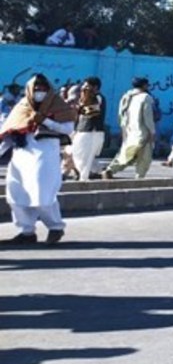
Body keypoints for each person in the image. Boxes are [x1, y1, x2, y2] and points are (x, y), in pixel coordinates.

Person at [1, 74, 76, 244]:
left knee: (41, 193)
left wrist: (46, 121)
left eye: (43, 88)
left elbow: (68, 129)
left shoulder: (58, 104)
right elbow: (8, 130)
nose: (39, 91)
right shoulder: (22, 106)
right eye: (36, 88)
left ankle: (55, 227)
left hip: (45, 153)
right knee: (15, 193)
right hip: (22, 153)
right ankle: (26, 231)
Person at [103, 78, 156, 180]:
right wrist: (152, 131)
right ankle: (139, 177)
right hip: (143, 132)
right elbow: (148, 116)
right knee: (145, 156)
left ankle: (110, 169)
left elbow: (120, 114)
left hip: (129, 131)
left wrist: (123, 129)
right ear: (144, 86)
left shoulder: (126, 96)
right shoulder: (145, 97)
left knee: (126, 153)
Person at [70, 77, 106, 180]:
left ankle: (84, 178)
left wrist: (83, 103)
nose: (84, 88)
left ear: (95, 87)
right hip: (82, 130)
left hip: (91, 131)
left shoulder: (98, 97)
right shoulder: (84, 97)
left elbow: (92, 113)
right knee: (77, 154)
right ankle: (95, 172)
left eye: (87, 86)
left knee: (86, 157)